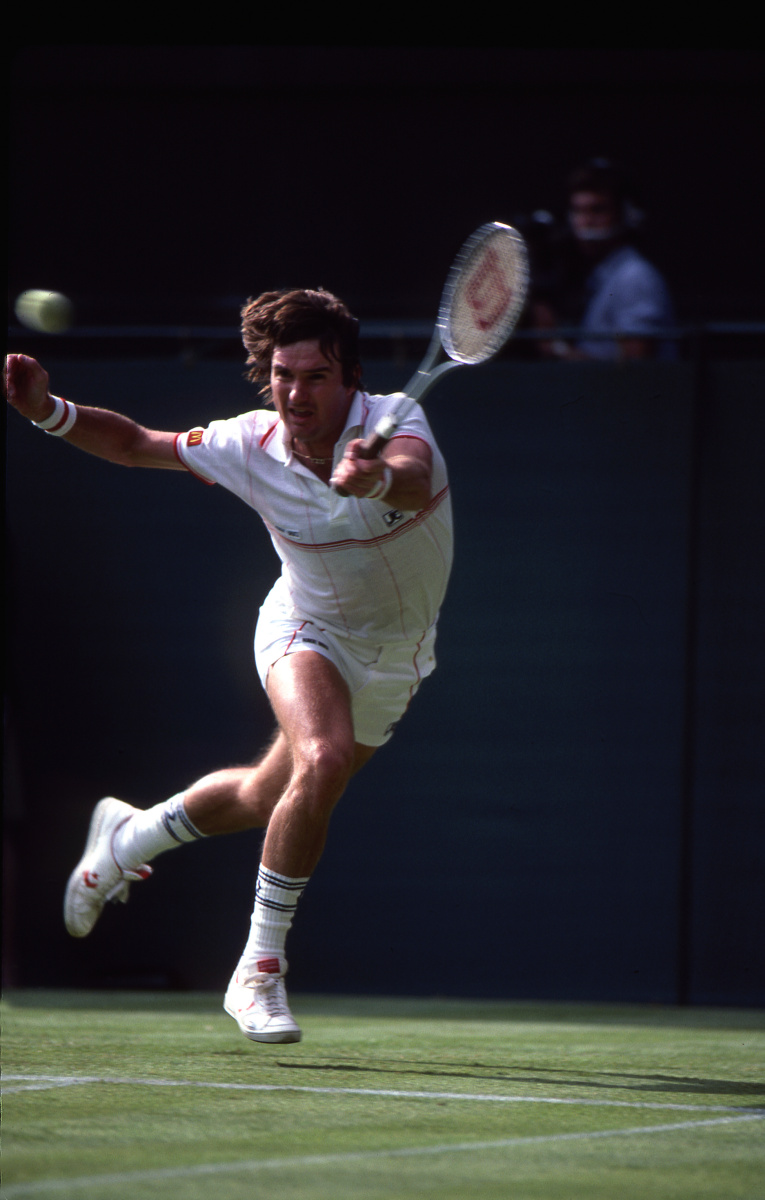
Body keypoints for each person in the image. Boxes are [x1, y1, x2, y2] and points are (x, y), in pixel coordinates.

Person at [4, 288, 453, 1044]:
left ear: (348, 377)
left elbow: (409, 473)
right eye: (282, 374)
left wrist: (372, 477)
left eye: (314, 376)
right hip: (304, 627)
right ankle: (259, 969)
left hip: (398, 655)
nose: (295, 392)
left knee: (264, 793)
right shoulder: (248, 443)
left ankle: (130, 836)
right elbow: (137, 443)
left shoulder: (397, 423)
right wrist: (49, 411)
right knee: (323, 755)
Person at [530, 158, 677, 361]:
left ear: (628, 215)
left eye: (597, 210)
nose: (586, 222)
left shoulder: (635, 277)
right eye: (578, 211)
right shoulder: (605, 276)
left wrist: (555, 348)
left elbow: (637, 371)